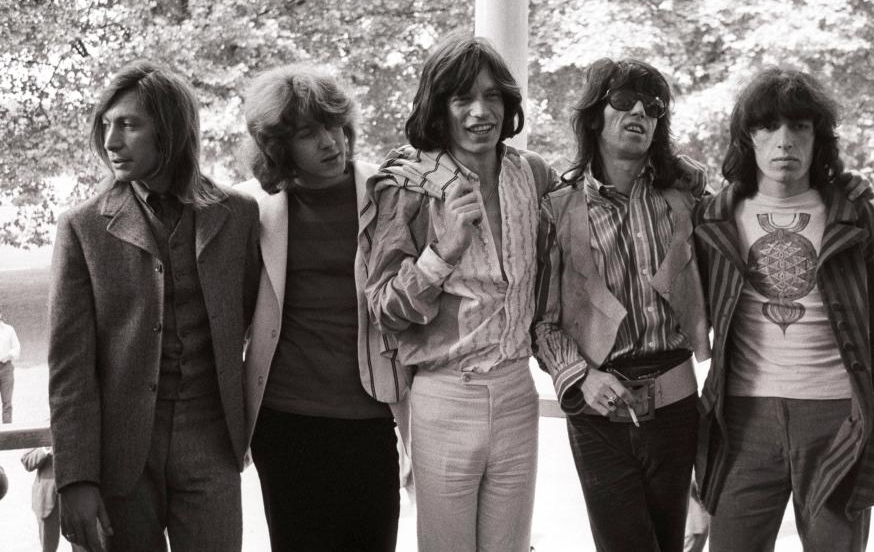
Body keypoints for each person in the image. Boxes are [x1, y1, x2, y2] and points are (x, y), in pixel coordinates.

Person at [47, 60, 260, 552]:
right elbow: (68, 367)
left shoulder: (238, 215)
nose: (111, 142)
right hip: (119, 457)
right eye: (106, 126)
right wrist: (75, 479)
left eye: (128, 124)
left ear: (171, 129)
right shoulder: (82, 227)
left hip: (211, 444)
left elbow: (252, 322)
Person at [693, 67, 874, 552]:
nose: (784, 142)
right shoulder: (713, 217)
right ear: (748, 138)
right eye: (768, 127)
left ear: (818, 138)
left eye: (800, 127)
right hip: (742, 418)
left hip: (838, 419)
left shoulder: (856, 217)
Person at [360, 32, 554, 552]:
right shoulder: (411, 185)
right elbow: (384, 311)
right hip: (445, 394)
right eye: (462, 97)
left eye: (493, 96)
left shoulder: (531, 174)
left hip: (517, 392)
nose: (480, 112)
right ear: (438, 106)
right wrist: (442, 252)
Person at [532, 58, 711, 552]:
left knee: (671, 543)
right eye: (623, 99)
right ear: (595, 114)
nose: (639, 111)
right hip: (598, 410)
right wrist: (581, 377)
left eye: (653, 107)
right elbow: (541, 323)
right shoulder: (557, 208)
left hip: (676, 409)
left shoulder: (685, 200)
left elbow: (749, 219)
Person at [238, 63, 407, 551]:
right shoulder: (253, 209)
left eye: (334, 125)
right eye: (309, 134)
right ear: (278, 147)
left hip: (372, 415)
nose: (331, 142)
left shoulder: (387, 192)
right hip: (286, 422)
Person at [21, 446, 82, 552]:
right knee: (48, 547)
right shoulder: (39, 433)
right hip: (47, 499)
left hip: (74, 494)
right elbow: (26, 461)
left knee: (81, 544)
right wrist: (46, 450)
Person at [0, 302, 21, 423]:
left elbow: (17, 348)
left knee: (7, 403)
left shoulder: (9, 330)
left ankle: (7, 435)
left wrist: (9, 355)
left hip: (6, 367)